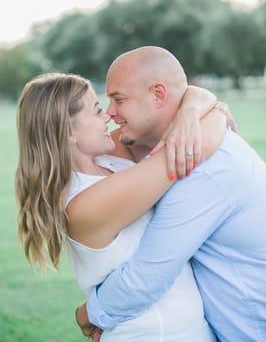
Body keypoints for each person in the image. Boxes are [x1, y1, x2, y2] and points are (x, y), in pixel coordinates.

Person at [15, 67, 227, 341]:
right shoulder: (85, 203)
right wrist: (217, 112)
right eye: (96, 110)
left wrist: (189, 112)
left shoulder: (109, 159)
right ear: (69, 132)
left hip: (185, 329)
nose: (109, 115)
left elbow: (192, 98)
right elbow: (199, 143)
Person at [75, 46, 266, 342]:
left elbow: (147, 277)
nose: (111, 113)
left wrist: (88, 313)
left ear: (159, 94)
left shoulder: (204, 170)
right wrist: (201, 105)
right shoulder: (174, 149)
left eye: (119, 99)